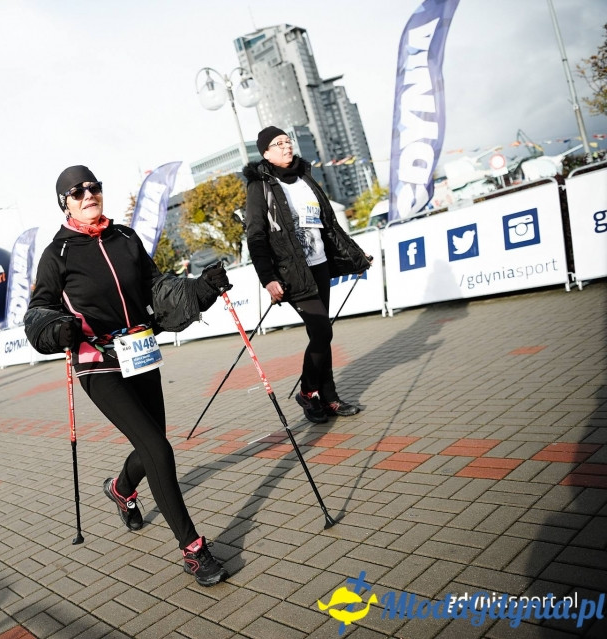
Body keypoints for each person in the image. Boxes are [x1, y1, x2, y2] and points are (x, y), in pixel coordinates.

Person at [24, 165, 232, 587]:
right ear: (64, 202)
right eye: (77, 191)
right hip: (98, 362)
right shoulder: (56, 254)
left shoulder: (125, 238)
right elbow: (37, 311)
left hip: (140, 353)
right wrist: (56, 329)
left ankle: (121, 488)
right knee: (157, 447)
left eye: (93, 188)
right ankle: (192, 549)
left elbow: (157, 289)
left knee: (152, 445)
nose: (88, 195)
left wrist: (200, 291)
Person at [243, 126, 372, 423]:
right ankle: (307, 392)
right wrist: (268, 278)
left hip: (320, 263)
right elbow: (256, 236)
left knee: (321, 334)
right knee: (322, 331)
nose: (286, 147)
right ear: (266, 152)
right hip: (291, 271)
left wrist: (355, 253)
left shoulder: (305, 177)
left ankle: (329, 399)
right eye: (279, 144)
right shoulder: (260, 185)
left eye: (288, 142)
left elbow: (329, 223)